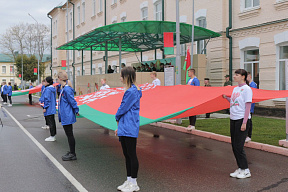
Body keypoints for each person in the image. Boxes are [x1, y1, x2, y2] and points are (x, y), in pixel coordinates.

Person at [115, 66, 142, 192]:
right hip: (126, 125)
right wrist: (119, 126)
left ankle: (134, 183)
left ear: (126, 76)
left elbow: (123, 108)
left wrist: (117, 117)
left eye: (121, 76)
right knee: (127, 155)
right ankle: (129, 180)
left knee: (131, 154)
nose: (120, 78)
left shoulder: (131, 92)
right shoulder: (132, 90)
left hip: (129, 126)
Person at [223, 69, 252, 179]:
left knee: (239, 146)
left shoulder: (247, 89)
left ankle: (246, 170)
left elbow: (247, 106)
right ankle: (240, 168)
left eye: (237, 75)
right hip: (233, 118)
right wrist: (227, 98)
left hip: (241, 119)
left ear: (243, 77)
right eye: (234, 74)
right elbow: (234, 102)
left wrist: (244, 122)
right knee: (234, 145)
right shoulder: (235, 89)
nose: (234, 76)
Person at [57, 71, 79, 161]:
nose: (57, 80)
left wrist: (76, 109)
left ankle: (73, 154)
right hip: (65, 115)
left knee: (70, 134)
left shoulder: (66, 89)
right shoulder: (63, 88)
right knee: (68, 134)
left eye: (57, 78)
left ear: (61, 79)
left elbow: (72, 101)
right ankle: (71, 151)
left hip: (67, 115)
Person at [43, 76, 57, 142]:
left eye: (45, 81)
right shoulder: (53, 89)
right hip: (52, 107)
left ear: (47, 82)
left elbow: (47, 99)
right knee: (53, 122)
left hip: (49, 108)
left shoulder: (47, 89)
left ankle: (52, 136)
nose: (44, 82)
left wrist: (45, 107)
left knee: (50, 122)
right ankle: (53, 135)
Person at [245, 72, 257, 143]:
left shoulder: (253, 84)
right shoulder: (248, 85)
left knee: (249, 121)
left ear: (250, 77)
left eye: (247, 77)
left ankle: (248, 135)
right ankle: (246, 135)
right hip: (247, 105)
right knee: (246, 120)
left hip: (250, 105)